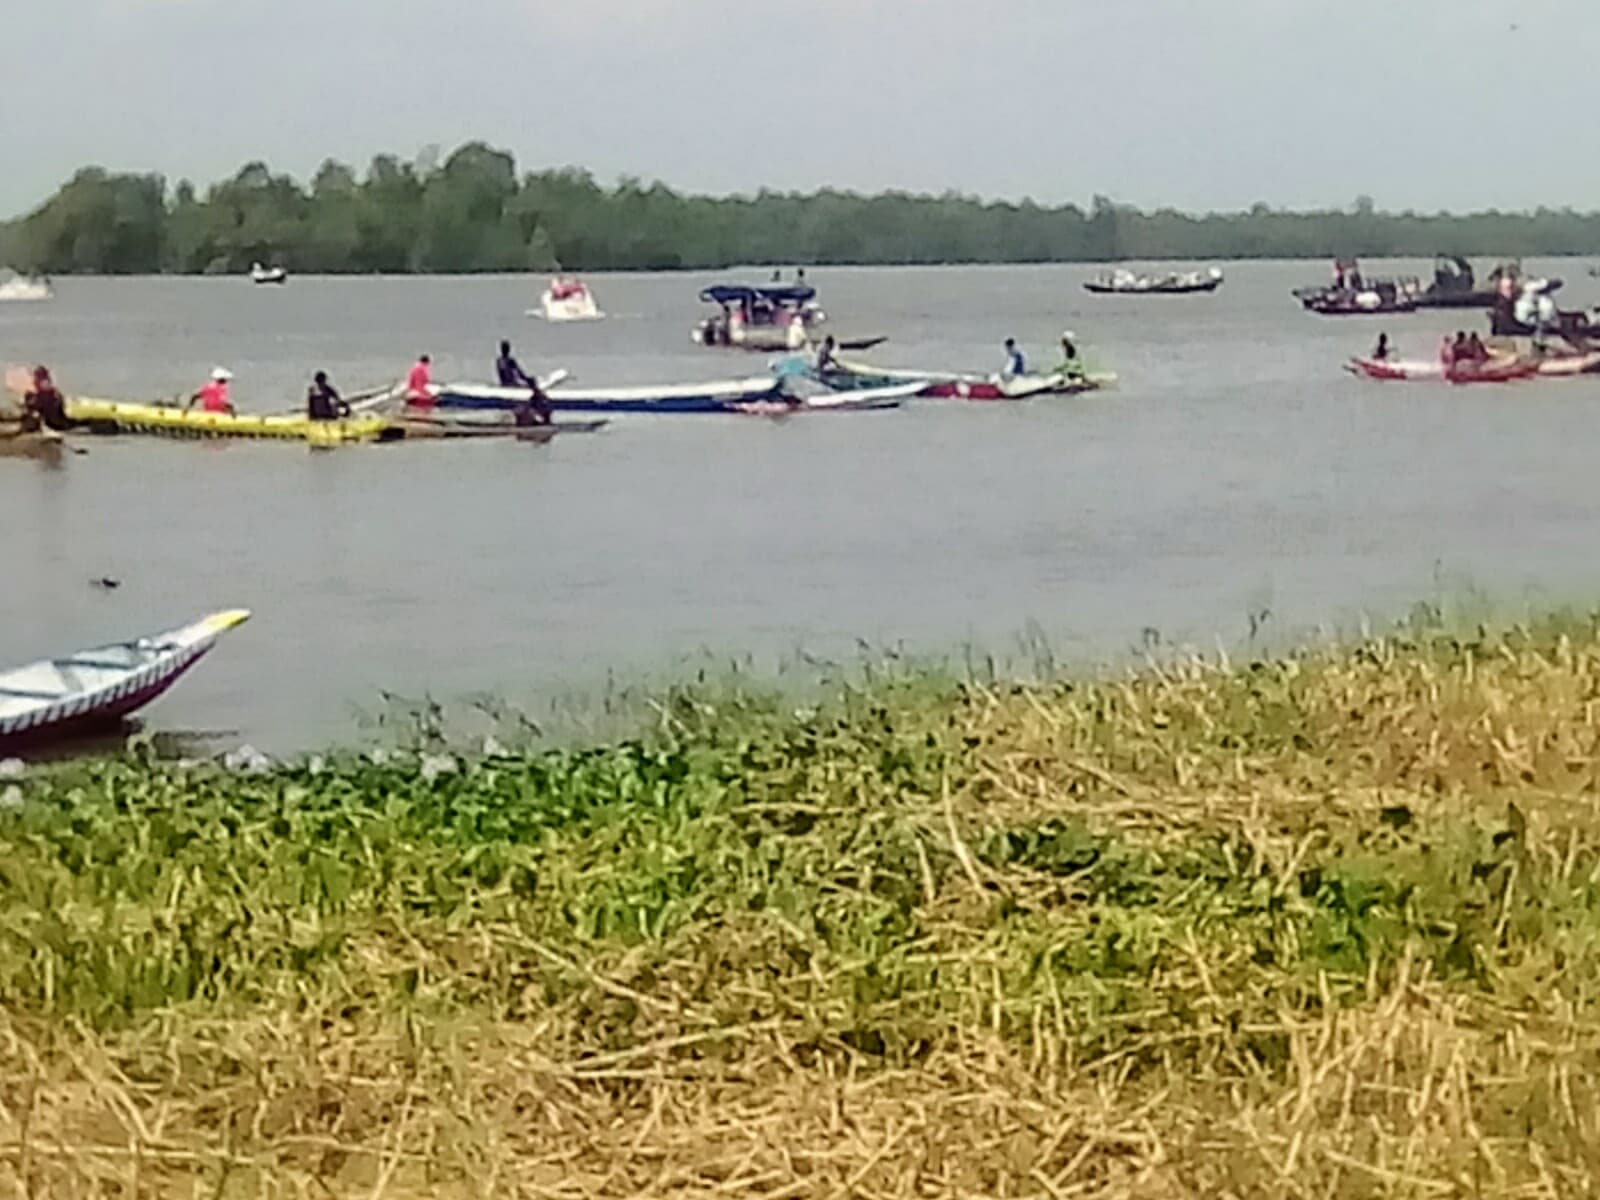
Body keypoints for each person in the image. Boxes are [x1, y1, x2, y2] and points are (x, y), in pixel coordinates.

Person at [495, 340, 551, 423]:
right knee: (532, 384)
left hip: (509, 383)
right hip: (510, 384)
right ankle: (537, 400)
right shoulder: (504, 361)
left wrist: (525, 379)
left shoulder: (504, 361)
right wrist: (525, 380)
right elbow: (514, 373)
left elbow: (518, 372)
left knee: (530, 381)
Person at [22, 366, 74, 432]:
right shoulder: (52, 393)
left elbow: (38, 406)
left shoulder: (49, 393)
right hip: (55, 421)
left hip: (54, 423)